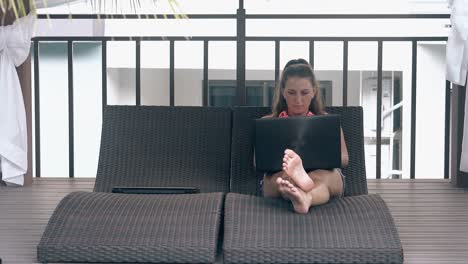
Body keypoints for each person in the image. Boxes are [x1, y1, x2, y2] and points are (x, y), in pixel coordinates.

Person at [260, 58, 349, 214]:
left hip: (323, 173)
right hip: (283, 174)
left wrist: (308, 161)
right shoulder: (267, 123)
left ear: (314, 91)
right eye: (292, 93)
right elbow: (258, 161)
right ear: (283, 92)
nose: (298, 100)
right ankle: (303, 193)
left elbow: (344, 158)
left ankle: (304, 193)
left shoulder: (327, 122)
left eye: (305, 93)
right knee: (282, 180)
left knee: (320, 178)